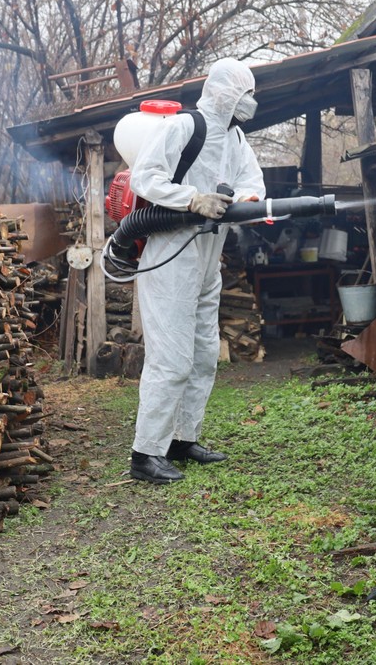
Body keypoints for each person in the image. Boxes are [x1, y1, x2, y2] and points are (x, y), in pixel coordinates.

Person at [126, 58, 266, 484]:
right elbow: (144, 178)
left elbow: (253, 182)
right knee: (171, 359)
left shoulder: (237, 137)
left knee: (204, 353)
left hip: (209, 257)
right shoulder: (186, 127)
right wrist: (192, 199)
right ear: (224, 92)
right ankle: (145, 454)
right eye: (243, 94)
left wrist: (240, 198)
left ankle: (182, 440)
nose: (248, 103)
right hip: (171, 253)